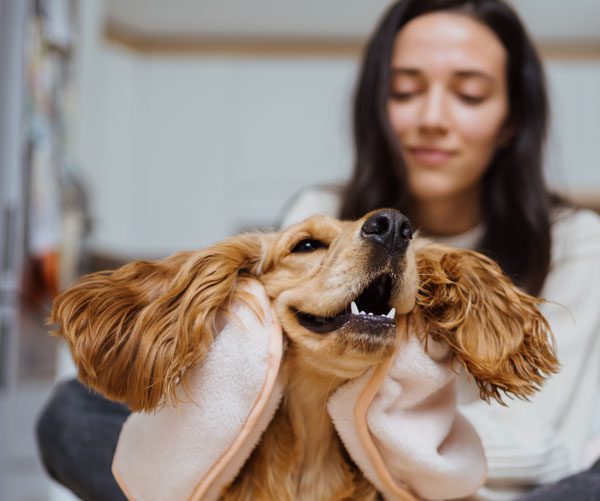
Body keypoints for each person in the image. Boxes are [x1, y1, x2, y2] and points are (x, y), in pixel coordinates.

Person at [36, 0, 600, 499]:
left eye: (469, 94)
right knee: (71, 412)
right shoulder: (321, 200)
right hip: (296, 465)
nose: (431, 119)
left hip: (491, 483)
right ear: (379, 107)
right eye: (404, 91)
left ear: (512, 119)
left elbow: (545, 446)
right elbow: (257, 375)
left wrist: (401, 448)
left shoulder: (577, 239)